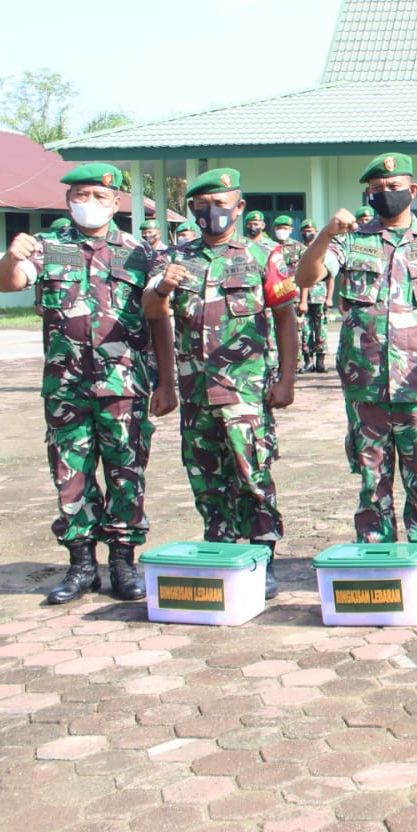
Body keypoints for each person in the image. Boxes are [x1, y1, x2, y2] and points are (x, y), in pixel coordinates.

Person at [0, 163, 162, 604]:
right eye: (81, 196)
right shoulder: (48, 248)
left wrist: (165, 380)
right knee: (71, 474)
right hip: (66, 386)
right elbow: (9, 282)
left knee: (126, 474)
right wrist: (11, 257)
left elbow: (158, 311)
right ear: (68, 201)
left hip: (123, 385)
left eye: (99, 197)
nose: (90, 203)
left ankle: (123, 562)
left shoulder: (138, 253)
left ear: (116, 203)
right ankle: (82, 565)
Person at [295, 153, 417, 555]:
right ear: (368, 195)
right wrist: (326, 234)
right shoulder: (350, 241)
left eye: (394, 187)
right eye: (377, 189)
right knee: (372, 484)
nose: (386, 193)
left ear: (413, 190)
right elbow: (305, 276)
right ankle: (377, 564)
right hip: (366, 385)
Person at [145, 168, 299, 596]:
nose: (211, 211)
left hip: (245, 391)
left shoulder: (264, 255)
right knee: (205, 478)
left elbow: (285, 318)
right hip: (195, 392)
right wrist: (166, 382)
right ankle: (220, 551)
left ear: (239, 207)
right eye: (202, 204)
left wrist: (287, 379)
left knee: (253, 474)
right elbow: (154, 316)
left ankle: (263, 554)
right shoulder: (174, 259)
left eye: (220, 203)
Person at [298, 220, 332, 373]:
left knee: (321, 329)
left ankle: (321, 361)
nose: (308, 233)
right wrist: (302, 301)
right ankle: (308, 361)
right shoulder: (299, 251)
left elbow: (331, 275)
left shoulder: (323, 250)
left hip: (320, 296)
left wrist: (329, 298)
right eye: (305, 230)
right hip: (302, 298)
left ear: (316, 232)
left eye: (311, 230)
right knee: (305, 330)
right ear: (301, 232)